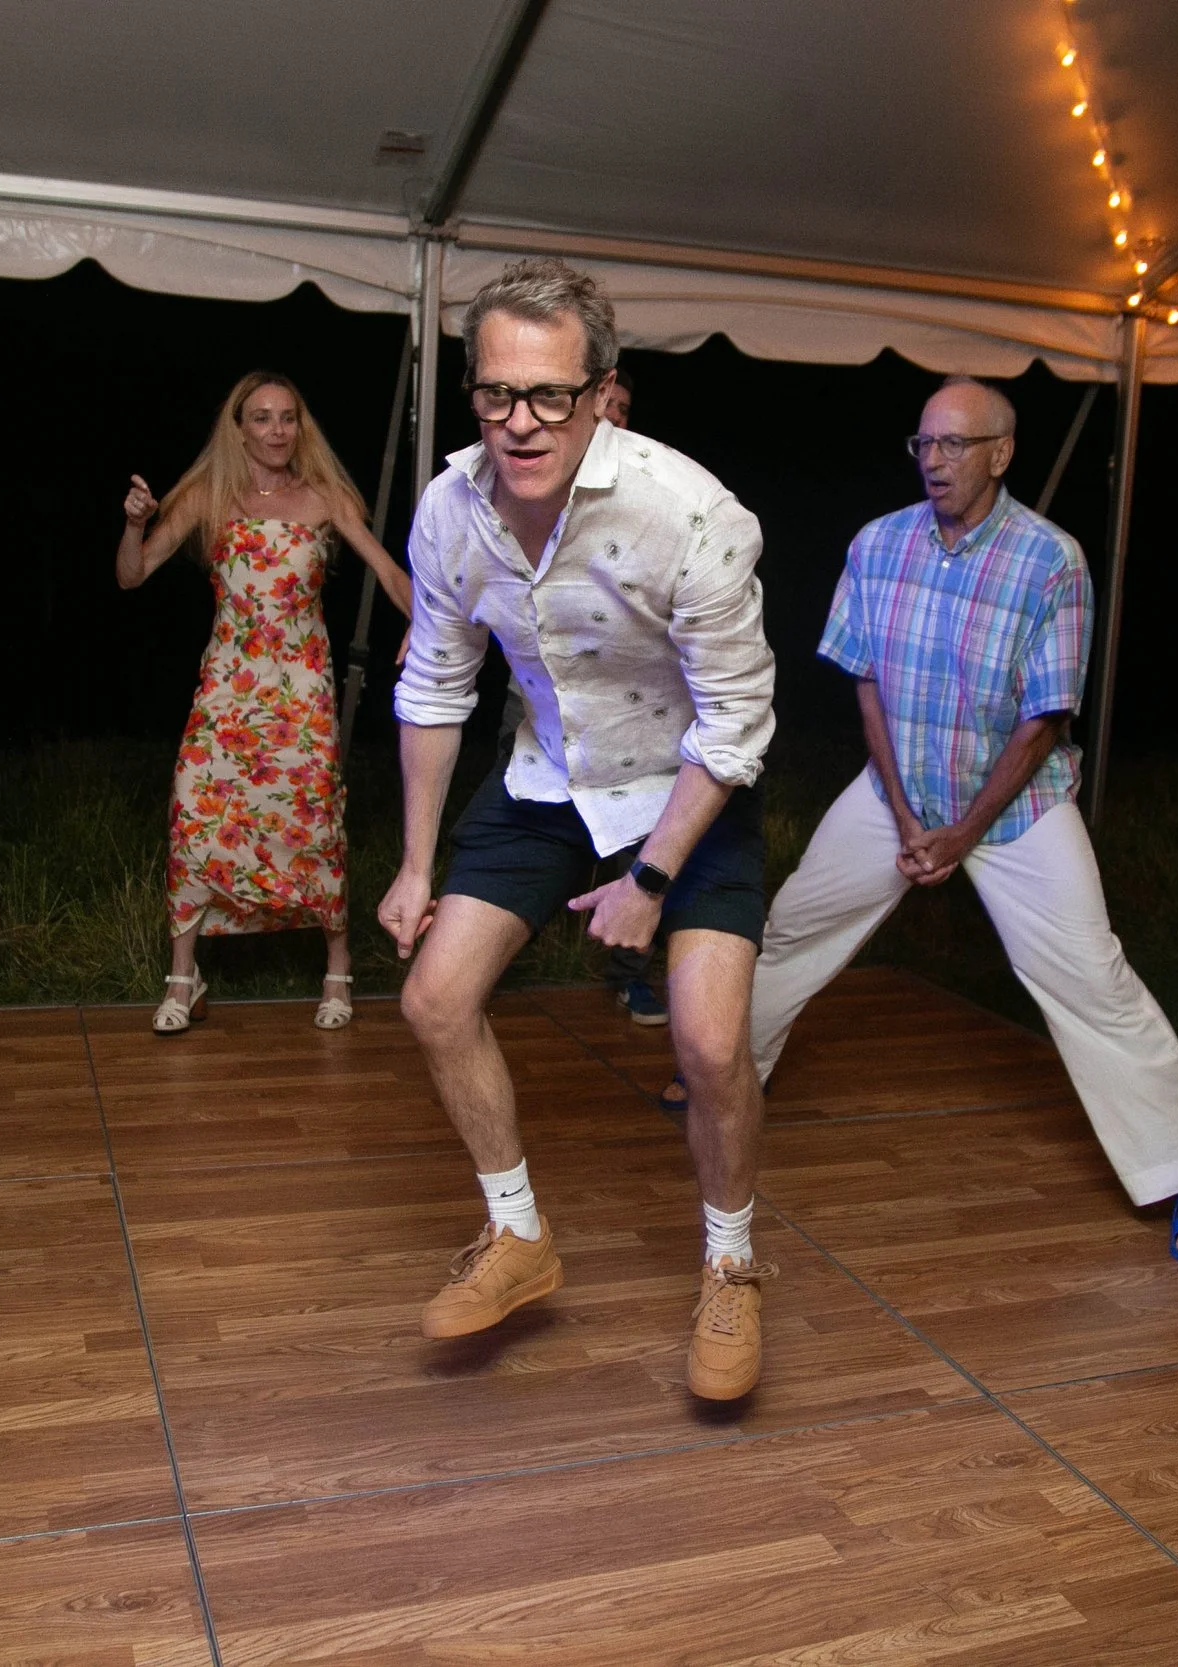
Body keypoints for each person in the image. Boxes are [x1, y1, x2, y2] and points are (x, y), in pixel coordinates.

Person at [380, 258, 779, 1400]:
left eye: (550, 392)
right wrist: (415, 862)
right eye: (498, 392)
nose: (520, 420)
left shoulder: (691, 514)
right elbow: (434, 686)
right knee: (433, 995)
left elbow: (739, 721)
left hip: (690, 780)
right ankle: (518, 1236)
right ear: (473, 391)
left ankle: (734, 1263)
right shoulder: (451, 509)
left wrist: (651, 878)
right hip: (551, 773)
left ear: (604, 390)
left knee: (705, 1044)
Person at [742, 377, 1178, 1260]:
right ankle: (730, 1072)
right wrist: (898, 810)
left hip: (1015, 810)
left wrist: (964, 831)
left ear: (1000, 454)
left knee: (1092, 976)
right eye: (922, 444)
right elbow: (867, 681)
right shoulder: (879, 542)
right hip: (898, 792)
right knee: (792, 926)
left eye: (953, 446)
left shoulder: (1053, 560)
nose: (933, 462)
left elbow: (1045, 720)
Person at [118, 372, 412, 1031]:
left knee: (311, 824)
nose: (277, 430)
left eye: (288, 418)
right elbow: (131, 576)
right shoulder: (208, 497)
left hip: (300, 695)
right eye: (262, 418)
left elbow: (390, 570)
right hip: (226, 689)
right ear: (240, 428)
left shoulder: (327, 497)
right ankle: (182, 977)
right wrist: (135, 525)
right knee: (196, 810)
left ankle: (337, 969)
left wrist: (428, 622)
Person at [494, 365, 664, 1027]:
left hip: (628, 711)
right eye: (606, 405)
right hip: (535, 702)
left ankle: (629, 974)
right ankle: (492, 949)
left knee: (639, 843)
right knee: (519, 829)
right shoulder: (530, 487)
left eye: (622, 405)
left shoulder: (653, 499)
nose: (614, 416)